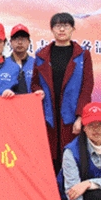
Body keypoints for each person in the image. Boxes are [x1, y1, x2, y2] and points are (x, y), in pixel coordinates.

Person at [31, 12, 94, 174]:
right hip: (49, 115)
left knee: (72, 157)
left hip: (71, 115)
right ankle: (53, 189)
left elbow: (87, 87)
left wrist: (80, 116)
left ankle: (71, 189)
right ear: (52, 29)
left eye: (66, 25)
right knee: (49, 157)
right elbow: (34, 83)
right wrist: (38, 91)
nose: (61, 29)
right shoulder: (41, 55)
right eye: (57, 26)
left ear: (73, 29)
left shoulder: (82, 55)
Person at [9, 23, 35, 94]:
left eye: (23, 39)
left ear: (29, 42)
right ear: (10, 42)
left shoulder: (36, 64)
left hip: (31, 101)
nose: (20, 42)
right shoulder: (3, 64)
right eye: (16, 39)